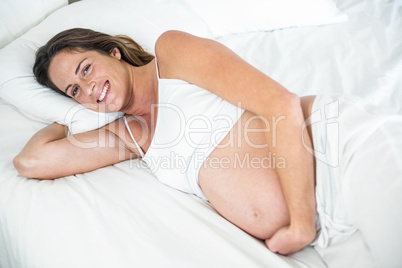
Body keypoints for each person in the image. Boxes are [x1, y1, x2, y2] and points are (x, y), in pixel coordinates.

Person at [13, 28, 402, 267]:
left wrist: (299, 223)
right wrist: (63, 116)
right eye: (74, 90)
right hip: (325, 236)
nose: (88, 88)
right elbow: (31, 161)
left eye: (86, 69)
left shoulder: (171, 56)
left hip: (340, 158)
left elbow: (280, 105)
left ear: (112, 51)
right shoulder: (127, 137)